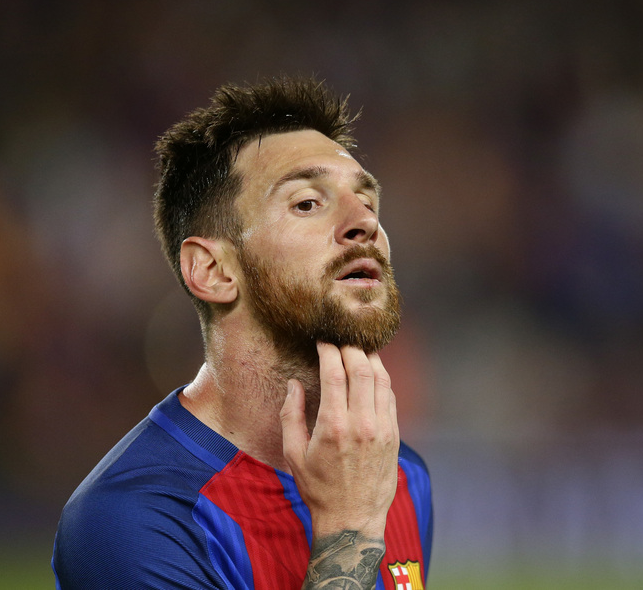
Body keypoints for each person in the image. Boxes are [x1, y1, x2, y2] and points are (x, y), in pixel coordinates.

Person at [52, 76, 433, 590]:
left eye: (368, 202)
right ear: (212, 271)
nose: (363, 222)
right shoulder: (131, 523)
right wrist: (351, 530)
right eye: (306, 203)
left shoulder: (399, 475)